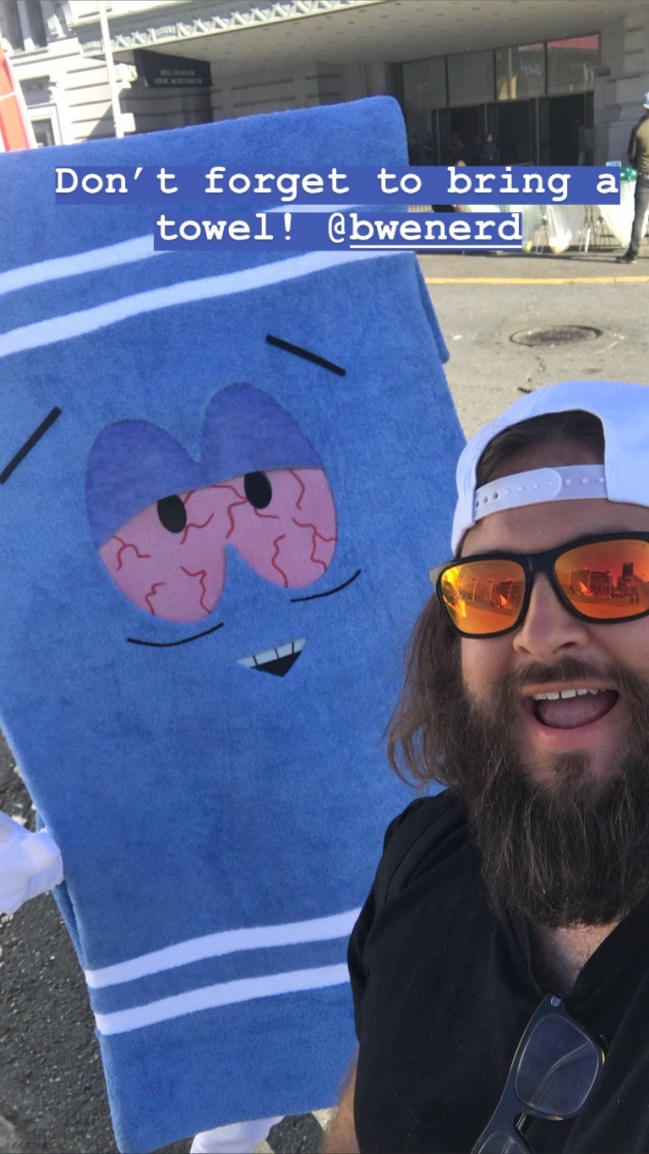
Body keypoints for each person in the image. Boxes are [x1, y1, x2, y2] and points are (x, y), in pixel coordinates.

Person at [323, 379, 649, 1154]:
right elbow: (362, 1114)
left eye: (614, 575)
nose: (539, 632)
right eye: (491, 591)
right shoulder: (425, 857)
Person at [618, 91, 649, 263]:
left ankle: (633, 252)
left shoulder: (638, 128)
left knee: (639, 216)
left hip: (644, 177)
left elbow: (631, 155)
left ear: (645, 108)